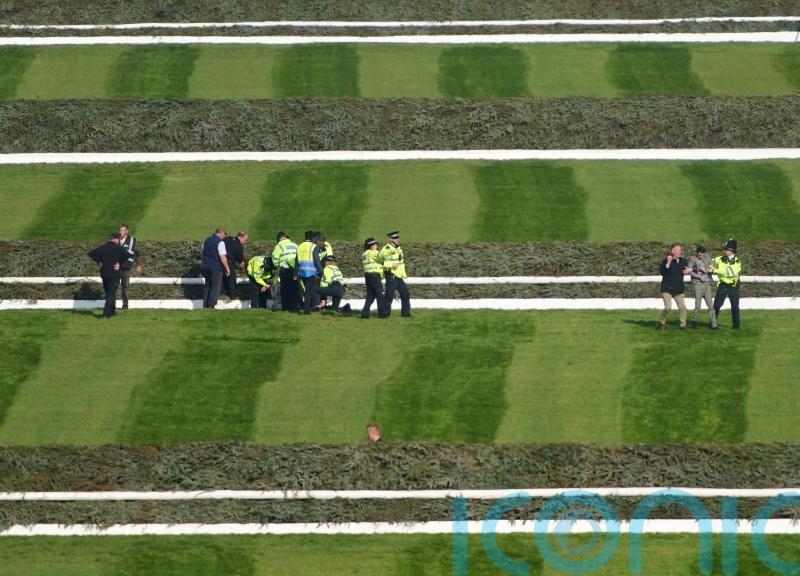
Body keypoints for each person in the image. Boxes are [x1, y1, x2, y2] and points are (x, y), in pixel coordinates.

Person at [87, 232, 129, 318]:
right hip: (114, 274)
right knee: (111, 294)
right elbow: (128, 255)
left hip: (104, 274)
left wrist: (99, 261)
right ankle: (106, 314)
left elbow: (91, 253)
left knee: (109, 294)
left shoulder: (103, 247)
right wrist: (119, 264)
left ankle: (112, 311)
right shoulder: (118, 248)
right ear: (117, 239)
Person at [709, 238, 743, 329]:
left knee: (735, 307)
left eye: (726, 249)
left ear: (732, 251)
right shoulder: (720, 259)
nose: (724, 250)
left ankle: (736, 326)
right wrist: (710, 265)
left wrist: (714, 270)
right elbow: (710, 261)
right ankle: (712, 324)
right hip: (723, 285)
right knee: (716, 305)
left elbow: (729, 272)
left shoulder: (737, 262)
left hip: (733, 286)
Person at [658, 242, 691, 330]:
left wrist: (690, 270)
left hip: (678, 289)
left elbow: (688, 270)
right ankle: (661, 322)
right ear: (672, 251)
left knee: (683, 307)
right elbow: (662, 272)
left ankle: (683, 324)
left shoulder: (683, 261)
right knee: (668, 307)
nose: (679, 252)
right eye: (677, 250)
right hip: (667, 288)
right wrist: (668, 263)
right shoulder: (666, 260)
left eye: (680, 250)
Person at [379, 230, 411, 318]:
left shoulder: (398, 248)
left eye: (397, 237)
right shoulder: (386, 248)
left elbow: (400, 262)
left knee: (405, 294)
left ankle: (406, 314)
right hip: (391, 274)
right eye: (395, 238)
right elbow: (380, 261)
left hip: (398, 275)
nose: (397, 239)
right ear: (390, 239)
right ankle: (384, 314)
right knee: (389, 295)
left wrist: (403, 273)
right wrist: (391, 265)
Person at [688, 245, 718, 330]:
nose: (701, 256)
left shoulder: (707, 257)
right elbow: (689, 271)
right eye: (699, 255)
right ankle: (694, 321)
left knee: (711, 305)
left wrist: (709, 269)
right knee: (698, 305)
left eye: (702, 254)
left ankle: (714, 325)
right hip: (698, 284)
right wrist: (699, 277)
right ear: (697, 253)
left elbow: (712, 266)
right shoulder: (692, 259)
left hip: (707, 284)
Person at [200, 228, 230, 309]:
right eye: (224, 234)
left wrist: (203, 263)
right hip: (216, 267)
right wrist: (227, 268)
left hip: (205, 266)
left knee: (207, 286)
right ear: (220, 233)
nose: (224, 236)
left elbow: (202, 253)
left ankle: (205, 305)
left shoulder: (206, 240)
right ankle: (211, 305)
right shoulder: (220, 242)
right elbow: (222, 257)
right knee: (215, 286)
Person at [295, 230, 323, 314]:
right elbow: (317, 261)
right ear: (312, 238)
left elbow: (296, 261)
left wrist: (295, 273)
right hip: (311, 272)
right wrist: (321, 272)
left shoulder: (299, 246)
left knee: (307, 290)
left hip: (302, 272)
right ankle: (306, 310)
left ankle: (306, 308)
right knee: (309, 291)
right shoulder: (313, 246)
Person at [272, 231, 299, 312]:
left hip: (285, 269)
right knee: (294, 289)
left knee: (285, 289)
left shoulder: (279, 246)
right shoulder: (295, 245)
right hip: (295, 269)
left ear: (279, 239)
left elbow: (275, 259)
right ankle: (294, 307)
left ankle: (286, 308)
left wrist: (277, 266)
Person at [117, 224, 142, 310]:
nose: (121, 232)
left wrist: (138, 265)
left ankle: (125, 305)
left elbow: (137, 254)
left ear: (127, 231)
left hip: (126, 267)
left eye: (123, 230)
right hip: (115, 267)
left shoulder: (132, 241)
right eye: (120, 230)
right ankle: (111, 305)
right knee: (113, 286)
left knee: (125, 287)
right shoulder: (115, 240)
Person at [360, 237, 385, 319]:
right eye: (374, 244)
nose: (376, 245)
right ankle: (382, 315)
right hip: (375, 277)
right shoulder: (373, 252)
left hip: (368, 277)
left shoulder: (364, 254)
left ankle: (365, 314)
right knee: (380, 296)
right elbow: (382, 256)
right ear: (371, 246)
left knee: (370, 296)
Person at [222, 231, 248, 301]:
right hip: (228, 262)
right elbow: (241, 264)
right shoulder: (239, 247)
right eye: (245, 240)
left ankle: (221, 295)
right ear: (241, 237)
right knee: (232, 279)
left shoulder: (227, 238)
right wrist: (243, 268)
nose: (245, 242)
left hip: (219, 261)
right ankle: (233, 297)